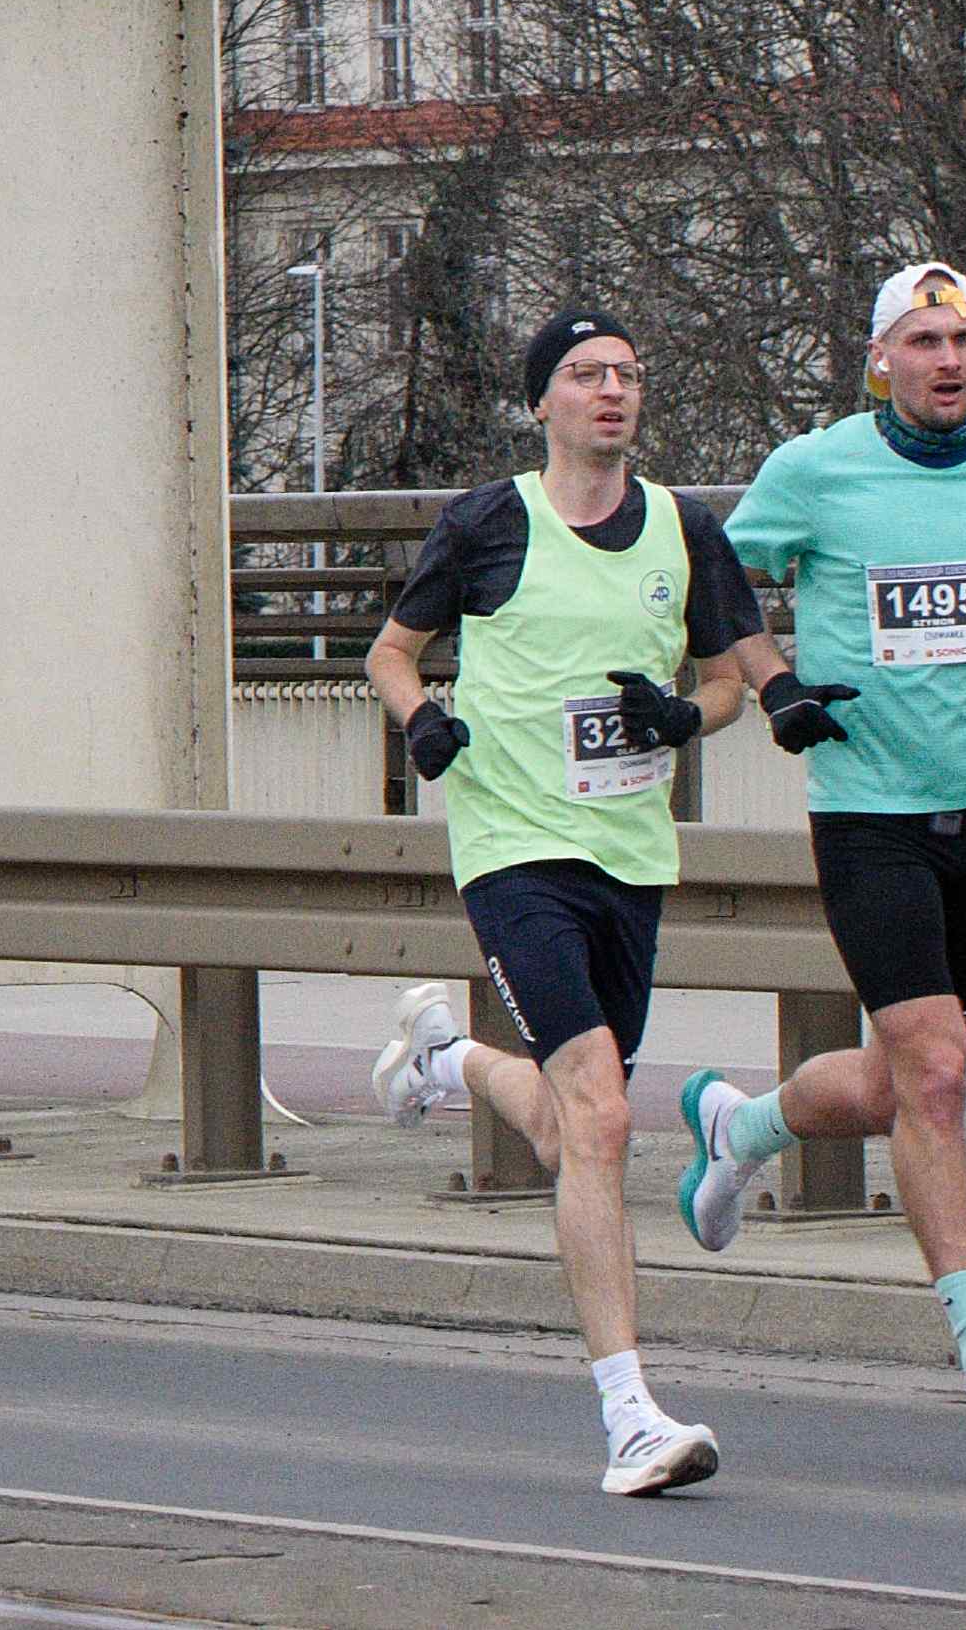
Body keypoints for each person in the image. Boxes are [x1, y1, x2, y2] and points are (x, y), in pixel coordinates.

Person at [665, 260, 966, 1449]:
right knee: (936, 1071)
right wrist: (772, 681)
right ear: (877, 360)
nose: (946, 359)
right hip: (867, 813)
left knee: (902, 1082)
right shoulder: (817, 467)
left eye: (964, 337)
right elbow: (706, 574)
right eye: (921, 339)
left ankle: (735, 1130)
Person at [357, 308, 761, 1497]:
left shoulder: (685, 527)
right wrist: (422, 717)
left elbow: (731, 673)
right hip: (512, 846)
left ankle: (440, 1061)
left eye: (626, 374)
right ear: (541, 401)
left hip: (628, 854)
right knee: (596, 1112)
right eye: (584, 375)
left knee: (570, 1126)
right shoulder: (487, 522)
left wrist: (687, 717)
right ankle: (628, 1413)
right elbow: (390, 649)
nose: (610, 392)